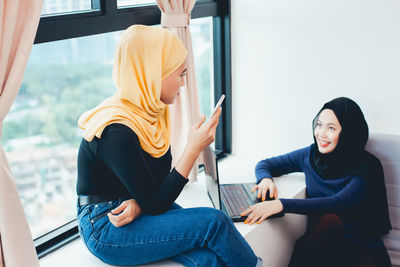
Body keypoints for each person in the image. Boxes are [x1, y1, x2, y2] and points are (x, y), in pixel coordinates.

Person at [76, 25, 262, 267]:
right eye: (181, 74)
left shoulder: (151, 114)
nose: (183, 83)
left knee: (208, 259)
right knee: (214, 222)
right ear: (155, 73)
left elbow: (155, 188)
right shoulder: (116, 131)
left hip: (131, 203)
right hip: (105, 227)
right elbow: (156, 201)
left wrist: (139, 204)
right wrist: (193, 148)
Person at [241, 97, 391, 266]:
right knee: (325, 225)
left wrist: (281, 205)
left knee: (329, 220)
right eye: (319, 125)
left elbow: (337, 203)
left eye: (331, 128)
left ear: (348, 132)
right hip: (327, 243)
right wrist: (265, 179)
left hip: (361, 248)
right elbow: (266, 164)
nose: (321, 134)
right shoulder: (310, 155)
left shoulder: (367, 167)